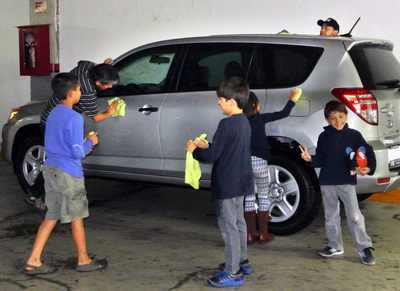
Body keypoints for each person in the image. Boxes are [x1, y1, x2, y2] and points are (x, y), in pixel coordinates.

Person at [24, 73, 107, 275]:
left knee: (51, 215)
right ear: (71, 94)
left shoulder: (53, 113)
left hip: (50, 170)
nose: (80, 92)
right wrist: (92, 141)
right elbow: (77, 152)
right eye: (79, 90)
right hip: (69, 173)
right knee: (77, 216)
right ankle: (83, 259)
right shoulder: (75, 118)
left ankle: (33, 260)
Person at [186, 77, 253, 288]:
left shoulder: (225, 124)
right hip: (242, 181)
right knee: (239, 222)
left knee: (228, 226)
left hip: (227, 183)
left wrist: (195, 151)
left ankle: (232, 273)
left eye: (221, 99)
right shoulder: (245, 122)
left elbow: (213, 156)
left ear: (232, 102)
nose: (218, 103)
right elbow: (226, 148)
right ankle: (241, 262)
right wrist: (209, 144)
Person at [299, 100, 376, 266]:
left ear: (346, 116)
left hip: (346, 181)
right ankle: (335, 245)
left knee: (355, 216)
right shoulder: (323, 136)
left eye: (341, 117)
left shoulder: (354, 136)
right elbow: (320, 159)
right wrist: (309, 159)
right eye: (333, 118)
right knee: (331, 215)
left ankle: (364, 247)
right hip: (327, 181)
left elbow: (367, 152)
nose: (338, 121)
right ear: (327, 119)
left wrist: (368, 168)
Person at [244, 88, 302, 244]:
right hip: (261, 164)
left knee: (248, 197)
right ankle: (263, 233)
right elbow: (283, 113)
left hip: (245, 164)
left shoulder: (239, 122)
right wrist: (293, 99)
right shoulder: (260, 118)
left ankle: (250, 234)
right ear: (256, 105)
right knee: (263, 195)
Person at [40, 59, 119, 128]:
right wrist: (109, 112)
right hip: (56, 124)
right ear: (98, 83)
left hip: (52, 110)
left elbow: (82, 63)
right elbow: (96, 118)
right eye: (108, 84)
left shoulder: (87, 65)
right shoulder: (88, 92)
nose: (111, 87)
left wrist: (105, 69)